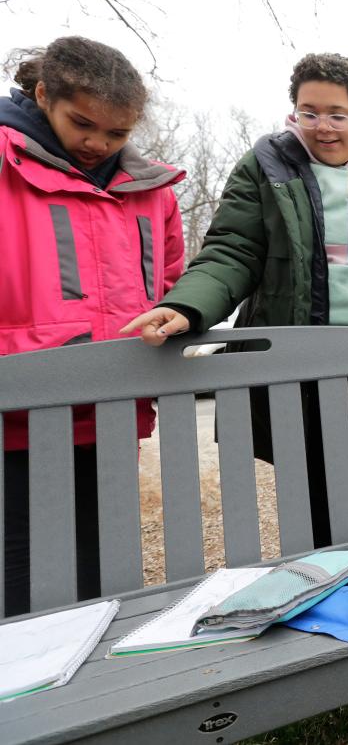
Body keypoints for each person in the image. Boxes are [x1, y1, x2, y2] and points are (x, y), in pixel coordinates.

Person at [123, 53, 348, 548]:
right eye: (309, 112)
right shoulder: (268, 164)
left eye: (337, 114)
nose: (322, 126)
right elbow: (233, 250)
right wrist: (188, 306)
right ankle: (330, 596)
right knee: (319, 508)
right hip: (302, 362)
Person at [1, 36, 185, 616]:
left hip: (115, 407)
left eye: (117, 133)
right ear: (42, 95)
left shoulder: (151, 191)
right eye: (82, 123)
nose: (97, 143)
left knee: (105, 565)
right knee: (20, 570)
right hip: (19, 409)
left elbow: (175, 279)